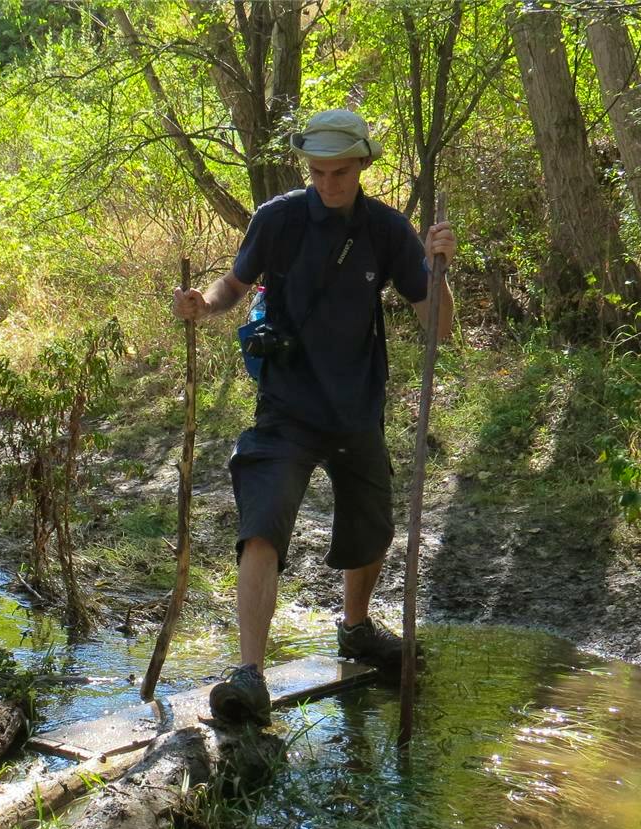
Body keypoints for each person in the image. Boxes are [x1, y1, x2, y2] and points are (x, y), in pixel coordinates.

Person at [171, 107, 457, 724]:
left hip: (357, 406)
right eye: (318, 172)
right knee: (262, 522)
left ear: (362, 166)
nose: (328, 184)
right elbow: (233, 286)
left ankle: (355, 630)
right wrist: (203, 306)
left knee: (370, 526)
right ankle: (250, 672)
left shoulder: (387, 230)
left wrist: (440, 271)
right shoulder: (278, 219)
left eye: (340, 173)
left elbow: (436, 323)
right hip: (286, 406)